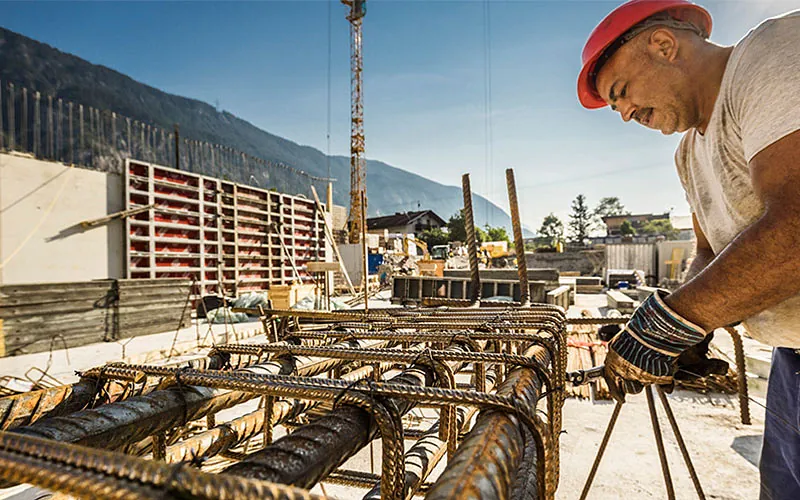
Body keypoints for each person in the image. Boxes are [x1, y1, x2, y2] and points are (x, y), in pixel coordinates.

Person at [577, 1, 800, 498]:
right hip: (793, 358)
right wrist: (688, 333)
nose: (626, 114)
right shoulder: (689, 154)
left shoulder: (772, 55)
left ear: (663, 45)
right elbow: (708, 253)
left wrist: (670, 324)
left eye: (622, 92)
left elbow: (796, 226)